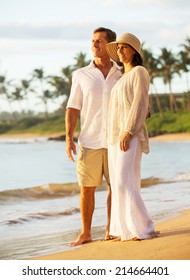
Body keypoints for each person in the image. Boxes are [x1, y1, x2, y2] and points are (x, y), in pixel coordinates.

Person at [65, 27, 122, 246]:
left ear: (110, 46)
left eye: (99, 41)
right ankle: (86, 233)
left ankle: (111, 228)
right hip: (89, 141)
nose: (94, 45)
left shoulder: (122, 72)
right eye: (93, 41)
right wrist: (69, 138)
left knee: (115, 187)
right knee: (86, 188)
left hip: (116, 141)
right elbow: (72, 108)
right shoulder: (81, 74)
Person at [106, 32, 157, 241]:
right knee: (125, 181)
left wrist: (128, 131)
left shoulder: (139, 72)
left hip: (130, 134)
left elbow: (139, 104)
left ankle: (145, 228)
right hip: (114, 137)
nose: (120, 51)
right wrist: (115, 134)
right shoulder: (120, 78)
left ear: (134, 50)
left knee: (123, 182)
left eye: (124, 47)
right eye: (118, 48)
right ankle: (125, 230)